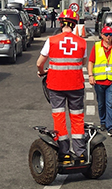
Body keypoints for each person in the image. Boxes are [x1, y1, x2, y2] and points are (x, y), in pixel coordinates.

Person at [36, 9, 88, 164]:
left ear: (60, 23)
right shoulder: (82, 42)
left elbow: (39, 63)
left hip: (56, 86)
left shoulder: (51, 41)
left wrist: (42, 72)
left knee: (59, 117)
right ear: (74, 25)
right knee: (77, 118)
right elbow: (82, 62)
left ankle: (64, 153)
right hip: (76, 86)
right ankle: (80, 153)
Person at [87, 26, 112, 137]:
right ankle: (103, 122)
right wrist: (90, 76)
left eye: (110, 35)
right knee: (101, 103)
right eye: (106, 35)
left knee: (110, 104)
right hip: (99, 81)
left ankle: (110, 127)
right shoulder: (97, 46)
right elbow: (91, 62)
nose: (108, 37)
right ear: (102, 35)